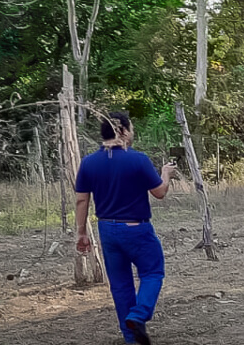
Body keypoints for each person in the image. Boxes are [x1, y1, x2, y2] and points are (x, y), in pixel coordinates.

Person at [75, 112, 176, 345]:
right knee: (152, 272)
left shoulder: (89, 163)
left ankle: (131, 338)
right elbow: (160, 192)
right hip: (137, 229)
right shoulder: (137, 159)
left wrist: (82, 233)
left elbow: (82, 201)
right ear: (122, 131)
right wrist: (166, 174)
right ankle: (138, 315)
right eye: (131, 129)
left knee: (120, 285)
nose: (132, 133)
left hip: (107, 230)